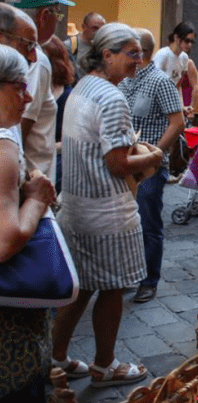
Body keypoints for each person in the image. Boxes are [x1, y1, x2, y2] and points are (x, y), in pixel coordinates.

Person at [52, 22, 162, 387]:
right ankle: (104, 365)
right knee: (112, 288)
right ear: (107, 55)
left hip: (77, 206)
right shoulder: (112, 97)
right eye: (131, 53)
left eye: (140, 53)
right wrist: (154, 155)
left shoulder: (83, 87)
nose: (138, 61)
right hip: (106, 212)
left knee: (81, 286)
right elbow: (117, 164)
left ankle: (56, 357)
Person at [0, 44, 56, 403]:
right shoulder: (2, 147)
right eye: (19, 86)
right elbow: (7, 241)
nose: (29, 95)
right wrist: (36, 198)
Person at [118, 28, 184, 303]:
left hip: (150, 167)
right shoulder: (124, 82)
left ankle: (149, 280)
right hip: (127, 162)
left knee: (148, 223)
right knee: (126, 222)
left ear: (140, 52)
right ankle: (129, 274)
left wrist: (156, 153)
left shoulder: (160, 81)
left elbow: (177, 122)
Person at [15, 0, 72, 184]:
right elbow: (21, 123)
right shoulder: (36, 59)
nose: (58, 22)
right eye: (58, 15)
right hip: (30, 179)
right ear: (44, 16)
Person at [41, 36, 74, 195]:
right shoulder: (35, 88)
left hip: (58, 159)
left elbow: (69, 138)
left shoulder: (67, 95)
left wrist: (46, 148)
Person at [153, 21, 196, 116]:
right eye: (186, 41)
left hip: (171, 105)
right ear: (176, 38)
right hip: (158, 105)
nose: (189, 45)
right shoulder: (163, 55)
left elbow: (178, 85)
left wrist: (181, 106)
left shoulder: (184, 57)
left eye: (191, 42)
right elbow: (153, 82)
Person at [63, 12, 105, 82]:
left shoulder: (100, 47)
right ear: (83, 27)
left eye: (101, 29)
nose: (98, 32)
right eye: (95, 28)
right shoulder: (71, 45)